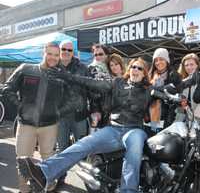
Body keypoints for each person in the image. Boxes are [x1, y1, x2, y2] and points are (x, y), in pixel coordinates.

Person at [17, 57, 155, 193]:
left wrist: (171, 92)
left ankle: (128, 190)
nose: (135, 70)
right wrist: (67, 76)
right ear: (129, 69)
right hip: (113, 129)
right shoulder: (117, 82)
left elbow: (169, 94)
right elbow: (92, 83)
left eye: (139, 68)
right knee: (83, 144)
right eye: (133, 67)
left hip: (134, 130)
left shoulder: (148, 90)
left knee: (135, 148)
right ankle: (43, 172)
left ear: (144, 73)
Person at [1, 42, 63, 193]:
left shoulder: (61, 76)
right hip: (26, 124)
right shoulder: (26, 68)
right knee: (23, 159)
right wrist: (20, 106)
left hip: (50, 125)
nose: (53, 58)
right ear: (44, 52)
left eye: (56, 55)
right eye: (50, 53)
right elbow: (8, 88)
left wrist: (59, 111)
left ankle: (46, 189)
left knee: (48, 161)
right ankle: (24, 190)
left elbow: (68, 98)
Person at [57, 40, 89, 152]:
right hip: (60, 116)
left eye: (69, 50)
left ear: (73, 52)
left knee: (82, 149)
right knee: (62, 148)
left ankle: (80, 169)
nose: (66, 52)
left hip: (79, 115)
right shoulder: (52, 67)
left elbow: (90, 90)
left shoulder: (83, 68)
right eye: (63, 49)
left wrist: (94, 110)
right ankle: (62, 170)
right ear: (59, 50)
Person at [148, 48, 181, 130]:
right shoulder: (150, 76)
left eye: (161, 59)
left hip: (167, 119)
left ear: (167, 61)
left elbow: (176, 97)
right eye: (156, 60)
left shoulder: (174, 76)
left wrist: (155, 91)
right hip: (149, 118)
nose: (158, 62)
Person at [88, 44, 111, 128]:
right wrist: (95, 110)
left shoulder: (112, 67)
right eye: (95, 55)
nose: (97, 57)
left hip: (112, 111)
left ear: (107, 55)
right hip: (98, 111)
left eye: (100, 54)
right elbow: (91, 92)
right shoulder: (91, 69)